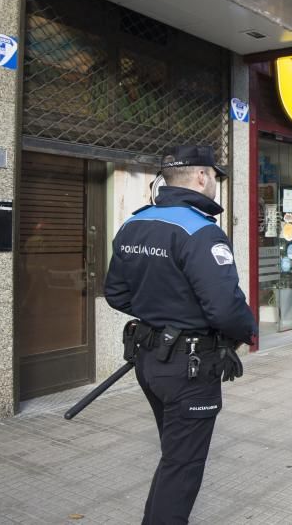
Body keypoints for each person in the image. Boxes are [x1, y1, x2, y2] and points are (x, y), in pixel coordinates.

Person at [105, 145, 257, 524]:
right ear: (202, 176)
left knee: (174, 456)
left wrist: (161, 316)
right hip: (189, 366)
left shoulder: (133, 224)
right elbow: (226, 309)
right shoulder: (202, 231)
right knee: (182, 466)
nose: (215, 184)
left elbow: (116, 293)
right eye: (214, 176)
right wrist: (247, 332)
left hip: (148, 361)